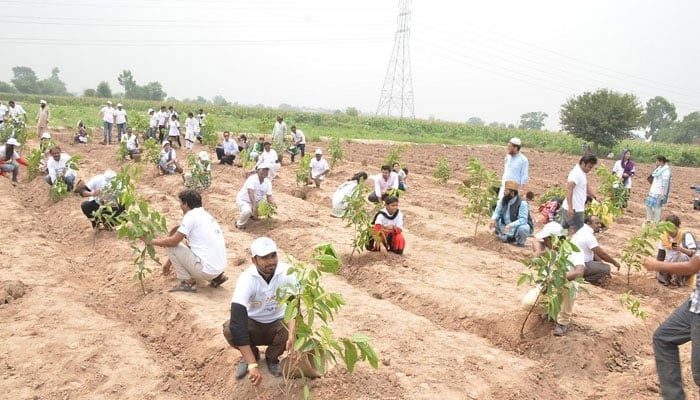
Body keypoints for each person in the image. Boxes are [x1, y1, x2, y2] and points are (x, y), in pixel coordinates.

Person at [223, 236, 298, 383]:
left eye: (273, 255)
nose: (271, 262)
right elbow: (238, 323)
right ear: (254, 260)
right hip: (253, 324)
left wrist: (292, 335)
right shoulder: (246, 280)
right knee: (230, 329)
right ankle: (252, 355)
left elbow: (293, 306)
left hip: (277, 323)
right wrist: (252, 364)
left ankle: (272, 358)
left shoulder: (287, 273)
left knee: (294, 329)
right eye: (264, 258)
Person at [145, 189, 228, 293]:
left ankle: (187, 283)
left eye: (181, 203)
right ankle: (217, 278)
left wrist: (149, 241)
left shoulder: (190, 216)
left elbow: (172, 242)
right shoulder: (206, 215)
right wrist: (169, 263)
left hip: (207, 271)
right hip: (219, 269)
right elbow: (191, 246)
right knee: (194, 247)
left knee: (170, 246)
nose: (180, 206)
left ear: (186, 204)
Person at [643, 254, 700, 399]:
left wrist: (657, 265)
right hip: (694, 304)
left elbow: (691, 266)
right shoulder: (668, 238)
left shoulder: (684, 237)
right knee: (663, 338)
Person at [522, 222, 585, 336]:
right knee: (527, 304)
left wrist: (558, 279)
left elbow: (579, 272)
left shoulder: (574, 250)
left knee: (571, 286)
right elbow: (536, 240)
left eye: (546, 240)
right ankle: (550, 310)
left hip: (562, 284)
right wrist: (538, 252)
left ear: (554, 239)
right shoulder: (549, 249)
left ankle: (563, 322)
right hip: (548, 286)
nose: (544, 242)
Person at [571, 215, 620, 284]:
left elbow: (594, 253)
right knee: (606, 268)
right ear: (588, 223)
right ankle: (582, 279)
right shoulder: (588, 235)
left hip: (573, 263)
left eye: (599, 223)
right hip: (578, 266)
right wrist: (615, 263)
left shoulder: (582, 231)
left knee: (602, 267)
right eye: (597, 223)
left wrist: (601, 264)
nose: (599, 225)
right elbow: (602, 254)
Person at [655, 214, 698, 287]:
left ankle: (677, 279)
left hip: (686, 264)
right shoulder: (664, 237)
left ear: (677, 227)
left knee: (679, 256)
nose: (670, 232)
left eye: (672, 229)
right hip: (671, 263)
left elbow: (694, 253)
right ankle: (671, 279)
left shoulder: (685, 235)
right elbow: (660, 256)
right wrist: (656, 272)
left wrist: (680, 249)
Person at [559, 155, 598, 234]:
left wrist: (594, 196)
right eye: (589, 167)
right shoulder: (576, 174)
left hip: (569, 208)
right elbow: (569, 190)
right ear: (583, 163)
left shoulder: (581, 172)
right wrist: (570, 207)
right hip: (575, 209)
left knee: (563, 230)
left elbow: (585, 185)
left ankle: (558, 243)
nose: (590, 170)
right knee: (580, 233)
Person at [489, 180, 532, 246]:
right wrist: (493, 219)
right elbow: (497, 212)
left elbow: (523, 220)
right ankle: (505, 236)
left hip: (515, 227)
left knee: (524, 228)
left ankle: (520, 242)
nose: (504, 192)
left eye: (506, 190)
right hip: (505, 226)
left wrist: (510, 225)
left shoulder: (522, 203)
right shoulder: (503, 200)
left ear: (512, 193)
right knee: (495, 217)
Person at [236, 163, 276, 229]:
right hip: (244, 200)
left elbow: (269, 196)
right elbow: (250, 192)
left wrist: (273, 204)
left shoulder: (268, 182)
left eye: (267, 170)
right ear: (257, 170)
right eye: (263, 170)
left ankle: (252, 215)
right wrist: (254, 207)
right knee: (247, 211)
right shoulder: (252, 179)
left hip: (257, 201)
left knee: (267, 208)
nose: (265, 172)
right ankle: (239, 224)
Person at [647, 155, 672, 224]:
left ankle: (656, 221)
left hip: (659, 192)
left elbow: (664, 183)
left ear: (661, 161)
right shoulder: (659, 168)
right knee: (649, 205)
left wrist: (662, 194)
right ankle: (648, 220)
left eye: (657, 161)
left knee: (657, 207)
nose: (655, 162)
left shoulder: (666, 170)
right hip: (653, 190)